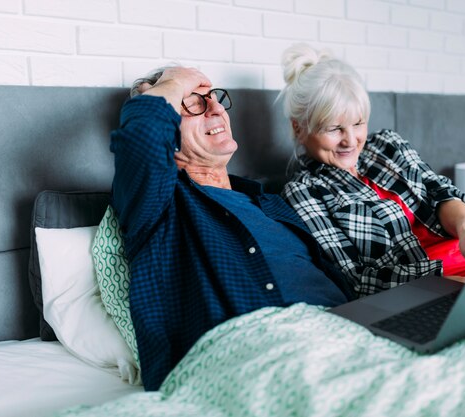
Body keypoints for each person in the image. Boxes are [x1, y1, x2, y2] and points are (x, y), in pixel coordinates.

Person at [110, 66, 353, 391]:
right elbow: (142, 136)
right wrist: (174, 80)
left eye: (214, 98)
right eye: (192, 102)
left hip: (350, 333)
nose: (216, 109)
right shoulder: (159, 208)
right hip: (266, 354)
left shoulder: (269, 202)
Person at [278, 43, 465, 299]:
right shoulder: (304, 192)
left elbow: (437, 190)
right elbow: (354, 278)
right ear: (299, 128)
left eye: (358, 123)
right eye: (334, 129)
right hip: (431, 290)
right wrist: (446, 284)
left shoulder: (388, 145)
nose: (350, 140)